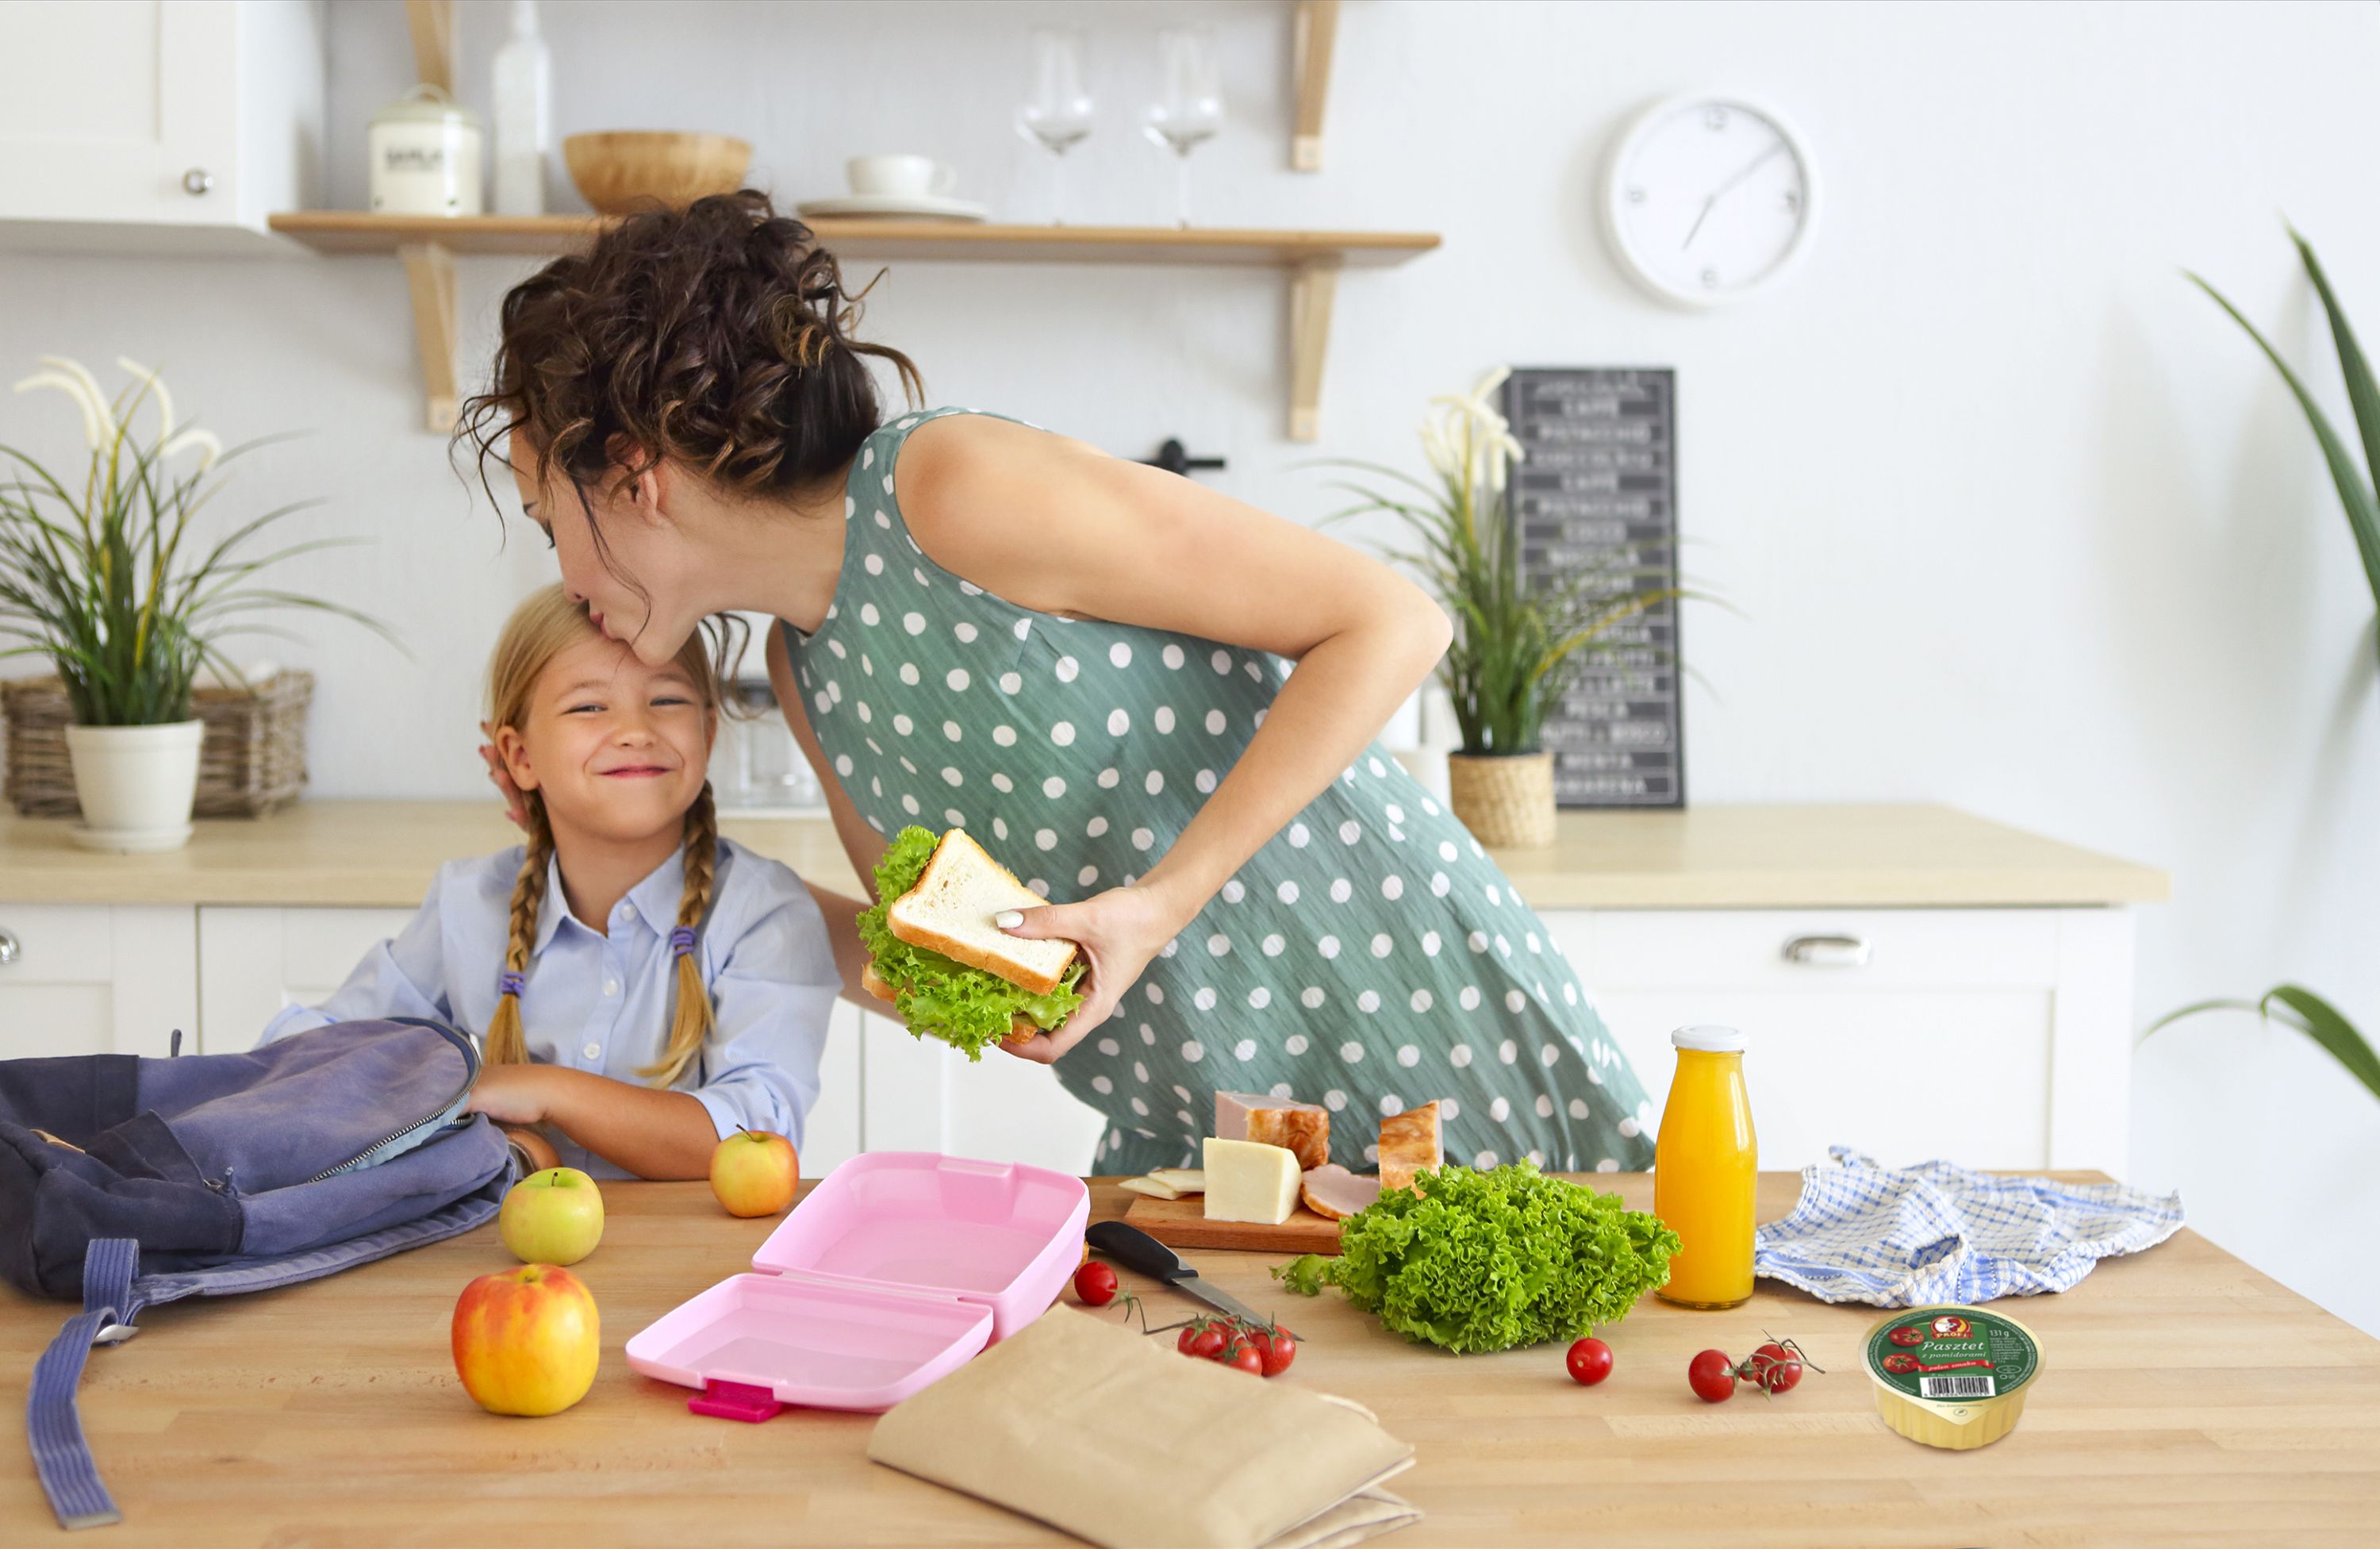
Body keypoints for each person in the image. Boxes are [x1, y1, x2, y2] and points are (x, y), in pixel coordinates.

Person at [461, 191, 1657, 1177]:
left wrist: (1161, 902)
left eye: (542, 514)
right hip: (1200, 1124)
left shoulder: (947, 486)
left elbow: (1390, 621)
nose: (560, 572)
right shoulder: (805, 668)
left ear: (635, 473)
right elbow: (945, 962)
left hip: (1400, 1011)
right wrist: (658, 879)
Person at [263, 584, 839, 1180]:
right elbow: (316, 1048)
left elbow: (755, 1140)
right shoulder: (470, 901)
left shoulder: (764, 912)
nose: (634, 730)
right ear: (519, 756)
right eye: (589, 708)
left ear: (709, 734)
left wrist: (544, 1092)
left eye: (666, 699)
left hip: (698, 1269)